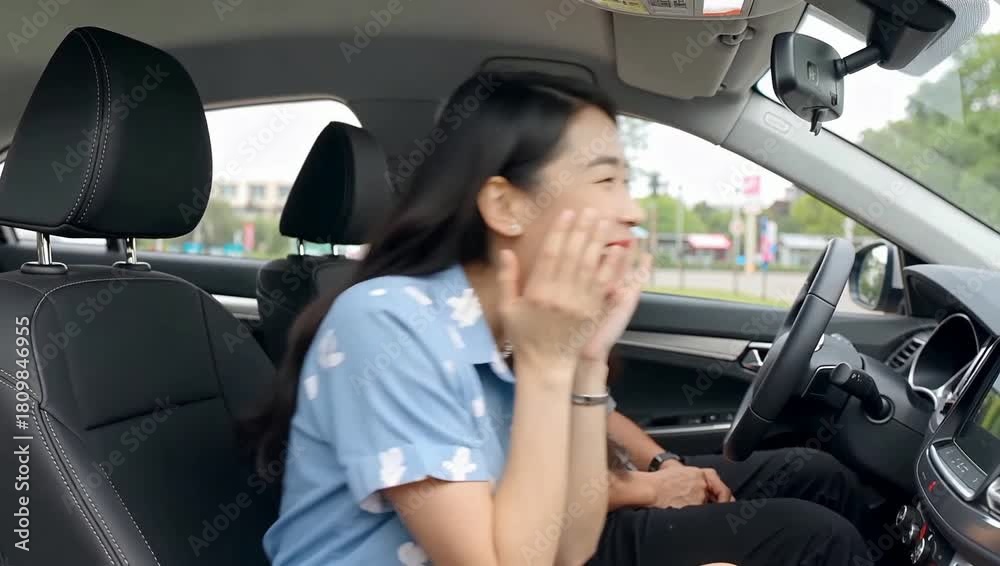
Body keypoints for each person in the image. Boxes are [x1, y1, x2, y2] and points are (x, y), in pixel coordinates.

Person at [254, 71, 868, 566]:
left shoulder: (514, 325)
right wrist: (552, 365)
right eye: (606, 180)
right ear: (506, 205)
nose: (631, 212)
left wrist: (587, 361)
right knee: (808, 540)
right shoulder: (386, 324)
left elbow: (570, 547)